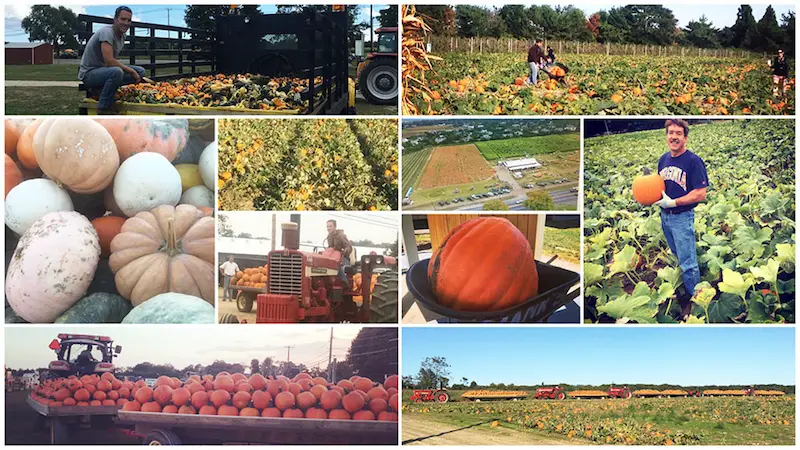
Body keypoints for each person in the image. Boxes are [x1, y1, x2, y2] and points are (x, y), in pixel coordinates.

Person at [653, 119, 709, 319]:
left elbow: (700, 193)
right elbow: (657, 187)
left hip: (681, 217)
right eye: (671, 133)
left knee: (688, 262)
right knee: (678, 254)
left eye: (678, 133)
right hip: (665, 217)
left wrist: (674, 203)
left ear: (685, 137)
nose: (674, 136)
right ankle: (686, 288)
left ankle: (697, 301)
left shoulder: (693, 161)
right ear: (666, 136)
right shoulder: (663, 160)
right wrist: (653, 198)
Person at [78, 6, 145, 114]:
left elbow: (112, 61)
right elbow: (109, 61)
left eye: (129, 20)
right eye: (123, 19)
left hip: (104, 71)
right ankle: (103, 109)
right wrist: (130, 71)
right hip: (89, 73)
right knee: (117, 72)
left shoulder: (122, 36)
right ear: (115, 20)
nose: (126, 23)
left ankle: (100, 90)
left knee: (140, 71)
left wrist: (132, 71)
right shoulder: (107, 32)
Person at [326, 220, 353, 288]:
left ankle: (344, 282)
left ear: (335, 227)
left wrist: (344, 251)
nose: (328, 228)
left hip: (343, 257)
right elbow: (330, 247)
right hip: (334, 256)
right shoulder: (329, 236)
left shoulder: (341, 235)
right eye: (327, 226)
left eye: (330, 226)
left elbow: (349, 247)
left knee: (336, 264)